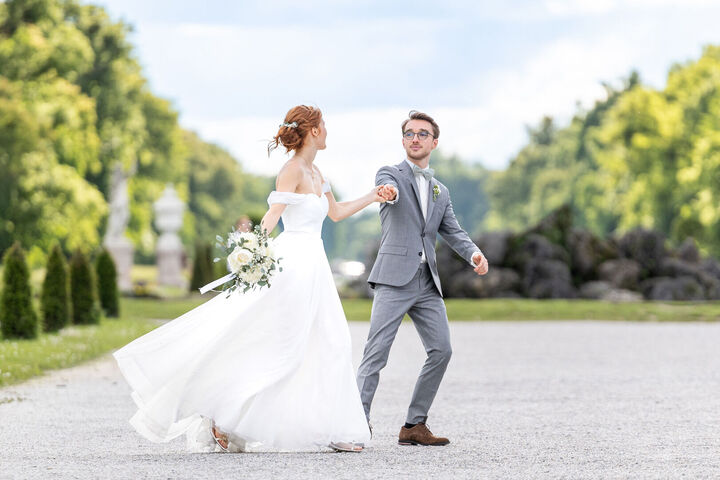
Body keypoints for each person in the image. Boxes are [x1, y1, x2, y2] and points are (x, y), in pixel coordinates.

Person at [113, 105, 383, 453]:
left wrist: (373, 196)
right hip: (292, 265)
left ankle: (332, 428)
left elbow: (336, 212)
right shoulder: (291, 171)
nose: (328, 131)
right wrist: (252, 252)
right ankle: (223, 413)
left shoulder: (318, 173)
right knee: (279, 343)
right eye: (324, 125)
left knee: (333, 341)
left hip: (314, 265)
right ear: (313, 130)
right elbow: (273, 216)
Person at [356, 110, 489, 446]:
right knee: (376, 353)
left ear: (435, 142)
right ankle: (356, 421)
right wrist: (386, 192)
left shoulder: (440, 191)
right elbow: (388, 190)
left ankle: (414, 424)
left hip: (426, 283)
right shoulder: (390, 174)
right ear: (403, 140)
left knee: (442, 350)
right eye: (410, 133)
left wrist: (474, 253)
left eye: (422, 134)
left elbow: (453, 232)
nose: (415, 138)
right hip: (392, 278)